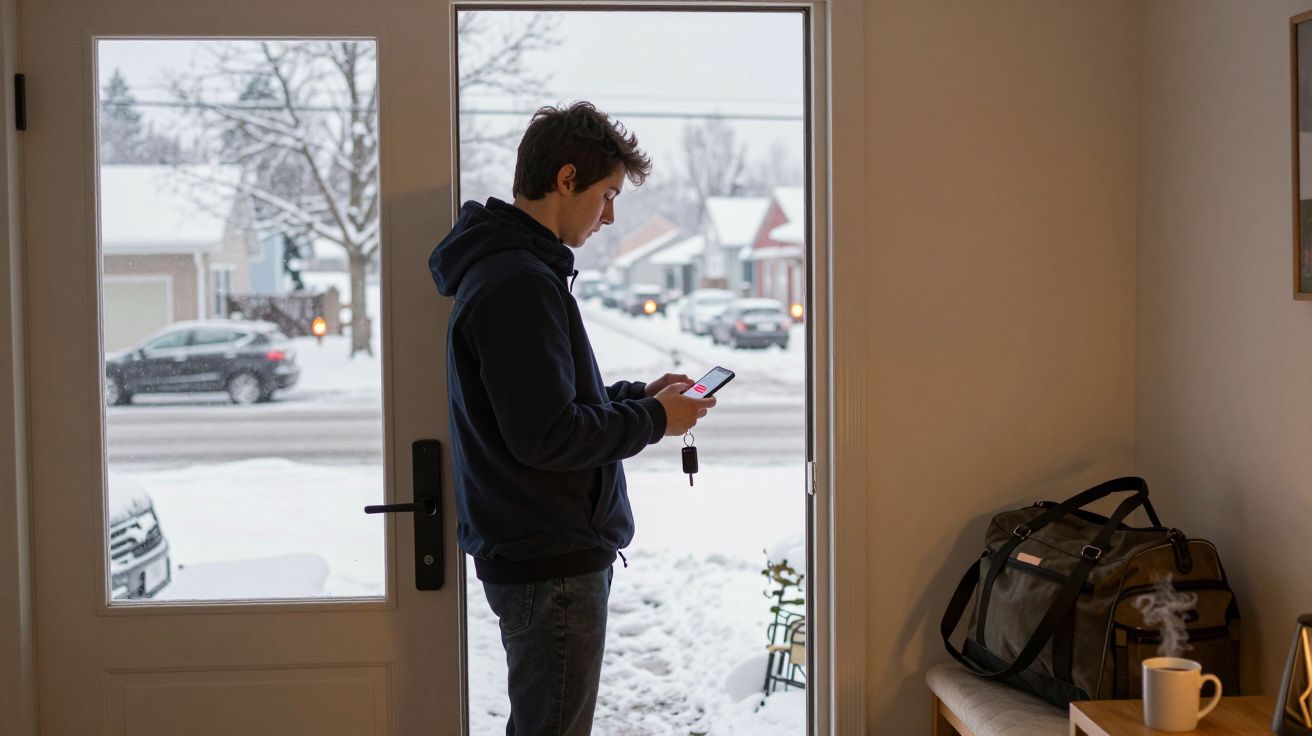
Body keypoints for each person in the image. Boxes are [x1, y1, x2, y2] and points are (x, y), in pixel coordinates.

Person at [428, 101, 716, 736]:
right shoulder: (518, 282)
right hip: (550, 562)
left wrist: (641, 396)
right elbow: (548, 435)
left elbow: (546, 404)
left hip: (543, 555)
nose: (610, 216)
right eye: (607, 195)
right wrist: (653, 419)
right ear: (566, 180)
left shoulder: (515, 270)